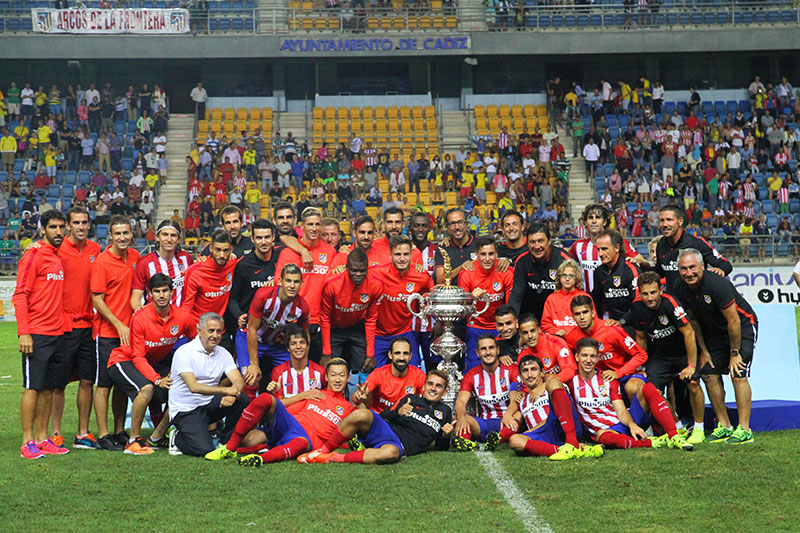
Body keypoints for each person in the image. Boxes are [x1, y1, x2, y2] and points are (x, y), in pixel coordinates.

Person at [672, 249, 758, 445]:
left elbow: (734, 321)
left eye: (692, 267)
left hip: (742, 326)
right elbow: (692, 320)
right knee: (709, 374)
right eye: (683, 269)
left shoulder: (717, 284)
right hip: (715, 333)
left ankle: (744, 429)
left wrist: (734, 354)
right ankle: (725, 426)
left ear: (703, 266)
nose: (688, 273)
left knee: (738, 373)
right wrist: (704, 351)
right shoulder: (680, 287)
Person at [107, 274, 196, 455]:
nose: (161, 295)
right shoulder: (140, 318)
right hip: (123, 360)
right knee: (147, 388)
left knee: (179, 386)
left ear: (172, 292)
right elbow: (138, 357)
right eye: (157, 291)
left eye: (165, 291)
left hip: (152, 362)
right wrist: (157, 380)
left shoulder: (182, 316)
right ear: (150, 294)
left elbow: (195, 341)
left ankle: (157, 436)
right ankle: (133, 441)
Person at [296, 369, 453, 465]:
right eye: (430, 384)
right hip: (385, 430)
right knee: (361, 413)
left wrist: (446, 436)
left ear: (444, 392)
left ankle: (332, 457)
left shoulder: (445, 411)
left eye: (438, 386)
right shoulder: (411, 398)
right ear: (424, 386)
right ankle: (322, 451)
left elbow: (440, 447)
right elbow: (385, 415)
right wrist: (397, 413)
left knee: (389, 454)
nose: (433, 388)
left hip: (399, 447)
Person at [568, 337, 693, 451]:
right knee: (602, 436)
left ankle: (674, 436)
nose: (588, 360)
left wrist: (632, 425)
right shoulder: (570, 382)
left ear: (597, 358)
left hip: (624, 423)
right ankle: (651, 442)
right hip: (606, 432)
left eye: (592, 356)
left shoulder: (607, 378)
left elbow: (620, 410)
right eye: (584, 356)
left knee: (648, 388)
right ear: (577, 357)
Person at [14, 210, 70, 459]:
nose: (58, 232)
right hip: (36, 334)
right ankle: (27, 442)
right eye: (53, 227)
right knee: (33, 389)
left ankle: (42, 438)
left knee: (50, 388)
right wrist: (24, 333)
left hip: (57, 333)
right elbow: (20, 295)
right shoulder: (34, 254)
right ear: (43, 229)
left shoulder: (57, 256)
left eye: (61, 227)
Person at [228, 358, 356, 466]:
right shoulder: (315, 395)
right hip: (291, 426)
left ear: (348, 378)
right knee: (266, 399)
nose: (337, 379)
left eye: (342, 375)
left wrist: (362, 401)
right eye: (333, 375)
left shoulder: (350, 410)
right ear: (327, 377)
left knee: (300, 443)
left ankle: (260, 458)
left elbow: (346, 435)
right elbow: (286, 411)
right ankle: (230, 448)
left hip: (305, 440)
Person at [629, 271, 706, 445]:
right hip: (660, 356)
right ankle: (677, 425)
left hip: (681, 353)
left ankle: (699, 429)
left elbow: (688, 333)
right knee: (652, 392)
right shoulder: (636, 307)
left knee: (693, 383)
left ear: (661, 290)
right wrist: (642, 367)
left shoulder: (670, 303)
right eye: (645, 294)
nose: (649, 298)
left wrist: (691, 365)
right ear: (639, 293)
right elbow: (640, 337)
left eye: (653, 292)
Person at [52, 207, 102, 449]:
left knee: (86, 380)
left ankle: (83, 432)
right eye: (76, 223)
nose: (81, 227)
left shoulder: (95, 250)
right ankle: (55, 433)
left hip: (89, 328)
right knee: (58, 384)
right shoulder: (57, 250)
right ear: (68, 226)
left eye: (85, 222)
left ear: (89, 225)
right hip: (63, 327)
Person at [91, 215, 141, 451]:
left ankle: (120, 430)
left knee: (122, 384)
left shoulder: (135, 257)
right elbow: (97, 300)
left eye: (126, 233)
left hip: (130, 334)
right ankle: (103, 434)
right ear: (110, 236)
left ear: (132, 234)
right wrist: (119, 324)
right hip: (108, 333)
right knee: (104, 384)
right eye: (117, 233)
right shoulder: (102, 261)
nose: (122, 237)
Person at [168, 312, 249, 457]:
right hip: (186, 410)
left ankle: (225, 442)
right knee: (204, 451)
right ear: (199, 330)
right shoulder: (184, 352)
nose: (215, 335)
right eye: (211, 331)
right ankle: (178, 437)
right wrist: (226, 391)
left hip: (209, 404)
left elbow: (238, 381)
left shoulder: (223, 353)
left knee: (242, 398)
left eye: (219, 331)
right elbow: (194, 387)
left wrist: (232, 393)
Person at [503, 355, 601, 460]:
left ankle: (571, 441)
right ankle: (568, 449)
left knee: (552, 381)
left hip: (563, 425)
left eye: (534, 369)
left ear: (542, 373)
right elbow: (514, 424)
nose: (530, 374)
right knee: (515, 440)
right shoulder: (522, 400)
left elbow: (565, 405)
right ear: (521, 377)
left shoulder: (552, 386)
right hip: (545, 435)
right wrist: (508, 416)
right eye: (525, 371)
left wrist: (544, 385)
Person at [275, 206, 337, 363]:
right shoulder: (288, 252)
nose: (314, 228)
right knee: (293, 369)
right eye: (310, 224)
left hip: (320, 321)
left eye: (318, 224)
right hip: (293, 320)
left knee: (318, 371)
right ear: (301, 226)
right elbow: (278, 284)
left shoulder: (330, 252)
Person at [564, 295, 647, 403]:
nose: (582, 317)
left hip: (625, 376)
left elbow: (641, 355)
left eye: (585, 312)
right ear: (573, 317)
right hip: (600, 382)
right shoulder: (572, 337)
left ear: (593, 313)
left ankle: (643, 420)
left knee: (633, 388)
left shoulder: (611, 330)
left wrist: (618, 373)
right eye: (577, 314)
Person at [241, 264, 309, 396]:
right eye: (288, 281)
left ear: (301, 284)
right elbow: (252, 329)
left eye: (296, 282)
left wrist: (303, 361)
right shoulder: (264, 295)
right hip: (251, 339)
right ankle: (249, 415)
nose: (292, 286)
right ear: (280, 281)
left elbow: (304, 335)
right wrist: (254, 364)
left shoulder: (302, 308)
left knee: (291, 378)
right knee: (251, 379)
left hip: (278, 346)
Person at [226, 219, 283, 368]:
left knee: (277, 379)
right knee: (249, 379)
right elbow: (232, 298)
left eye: (266, 237)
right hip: (250, 329)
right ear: (252, 239)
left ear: (273, 238)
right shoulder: (243, 265)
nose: (263, 242)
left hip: (276, 332)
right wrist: (239, 315)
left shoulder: (282, 257)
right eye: (259, 238)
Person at [370, 235, 434, 367]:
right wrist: (341, 268)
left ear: (411, 254)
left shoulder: (421, 276)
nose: (402, 258)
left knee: (412, 371)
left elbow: (433, 294)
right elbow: (354, 273)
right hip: (378, 335)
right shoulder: (375, 273)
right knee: (377, 376)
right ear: (390, 255)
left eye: (406, 254)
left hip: (404, 332)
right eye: (397, 254)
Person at [451, 335, 519, 451]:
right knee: (458, 417)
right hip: (485, 423)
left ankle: (499, 439)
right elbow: (461, 401)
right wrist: (461, 418)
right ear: (477, 353)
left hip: (509, 419)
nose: (488, 352)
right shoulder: (472, 375)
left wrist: (507, 415)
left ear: (498, 350)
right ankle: (466, 442)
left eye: (491, 348)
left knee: (519, 414)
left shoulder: (511, 369)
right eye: (483, 349)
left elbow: (516, 399)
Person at [320, 248, 382, 373]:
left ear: (367, 269)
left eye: (362, 271)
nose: (358, 275)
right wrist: (326, 353)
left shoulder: (376, 285)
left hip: (356, 327)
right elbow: (325, 318)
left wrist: (370, 354)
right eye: (354, 270)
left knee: (366, 366)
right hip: (334, 328)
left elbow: (371, 320)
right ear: (346, 268)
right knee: (331, 367)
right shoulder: (332, 284)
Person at [458, 236, 514, 371]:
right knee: (473, 368)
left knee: (503, 367)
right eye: (483, 254)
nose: (487, 258)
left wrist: (504, 329)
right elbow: (461, 308)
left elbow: (510, 307)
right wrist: (471, 297)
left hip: (499, 328)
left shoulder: (506, 272)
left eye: (491, 254)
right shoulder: (467, 273)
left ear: (497, 254)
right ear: (476, 255)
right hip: (475, 326)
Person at [569, 204, 646, 292]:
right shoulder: (578, 246)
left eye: (598, 217)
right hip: (587, 301)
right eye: (590, 218)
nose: (594, 221)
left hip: (611, 299)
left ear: (605, 222)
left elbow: (644, 262)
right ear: (586, 222)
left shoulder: (618, 242)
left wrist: (637, 261)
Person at [654, 204, 732, 289]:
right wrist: (642, 265)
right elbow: (659, 272)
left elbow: (726, 265)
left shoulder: (696, 243)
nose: (664, 224)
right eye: (662, 220)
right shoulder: (661, 244)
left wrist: (720, 271)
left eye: (669, 220)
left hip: (696, 300)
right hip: (673, 300)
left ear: (680, 221)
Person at [509, 223, 573, 320]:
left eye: (541, 241)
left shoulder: (565, 261)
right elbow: (516, 296)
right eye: (532, 242)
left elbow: (574, 295)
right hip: (531, 315)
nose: (537, 246)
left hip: (559, 314)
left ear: (549, 241)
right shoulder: (522, 261)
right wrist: (512, 320)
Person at [351, 337, 426, 414]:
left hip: (406, 419)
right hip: (381, 418)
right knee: (359, 408)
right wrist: (358, 396)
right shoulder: (378, 374)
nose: (401, 357)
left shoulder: (419, 375)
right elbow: (355, 398)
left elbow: (429, 401)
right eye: (397, 353)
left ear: (410, 356)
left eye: (405, 353)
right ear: (390, 355)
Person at [131, 220, 194, 309]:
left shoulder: (186, 258)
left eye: (173, 235)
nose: (169, 239)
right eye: (165, 235)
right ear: (157, 237)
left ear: (178, 239)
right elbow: (135, 298)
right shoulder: (145, 263)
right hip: (154, 319)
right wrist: (140, 312)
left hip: (181, 318)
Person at [182, 229, 237, 325]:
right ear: (211, 249)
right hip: (199, 328)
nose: (222, 255)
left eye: (226, 250)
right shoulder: (195, 271)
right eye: (218, 250)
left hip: (220, 328)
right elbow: (187, 306)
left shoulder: (233, 263)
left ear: (231, 249)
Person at [266, 326, 326, 406]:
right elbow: (277, 405)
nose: (298, 346)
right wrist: (304, 395)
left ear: (308, 346)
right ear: (288, 348)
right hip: (288, 417)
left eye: (302, 342)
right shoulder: (279, 372)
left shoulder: (320, 372)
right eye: (293, 343)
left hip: (312, 417)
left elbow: (326, 401)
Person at [592, 229, 641, 322]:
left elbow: (639, 303)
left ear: (617, 248)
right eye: (598, 249)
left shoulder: (631, 269)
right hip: (612, 324)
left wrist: (622, 321)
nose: (600, 254)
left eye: (604, 249)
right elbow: (597, 300)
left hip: (634, 324)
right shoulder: (599, 272)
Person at [540, 259, 595, 336]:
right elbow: (545, 324)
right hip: (558, 341)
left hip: (581, 341)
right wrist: (555, 332)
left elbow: (593, 321)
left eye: (571, 276)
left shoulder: (584, 296)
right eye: (564, 275)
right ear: (559, 277)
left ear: (577, 277)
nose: (567, 279)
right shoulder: (551, 299)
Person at [516, 314, 576, 383]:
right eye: (525, 333)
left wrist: (545, 386)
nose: (530, 336)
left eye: (532, 331)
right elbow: (524, 384)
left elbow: (569, 371)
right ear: (520, 334)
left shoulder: (556, 343)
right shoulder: (522, 356)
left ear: (539, 330)